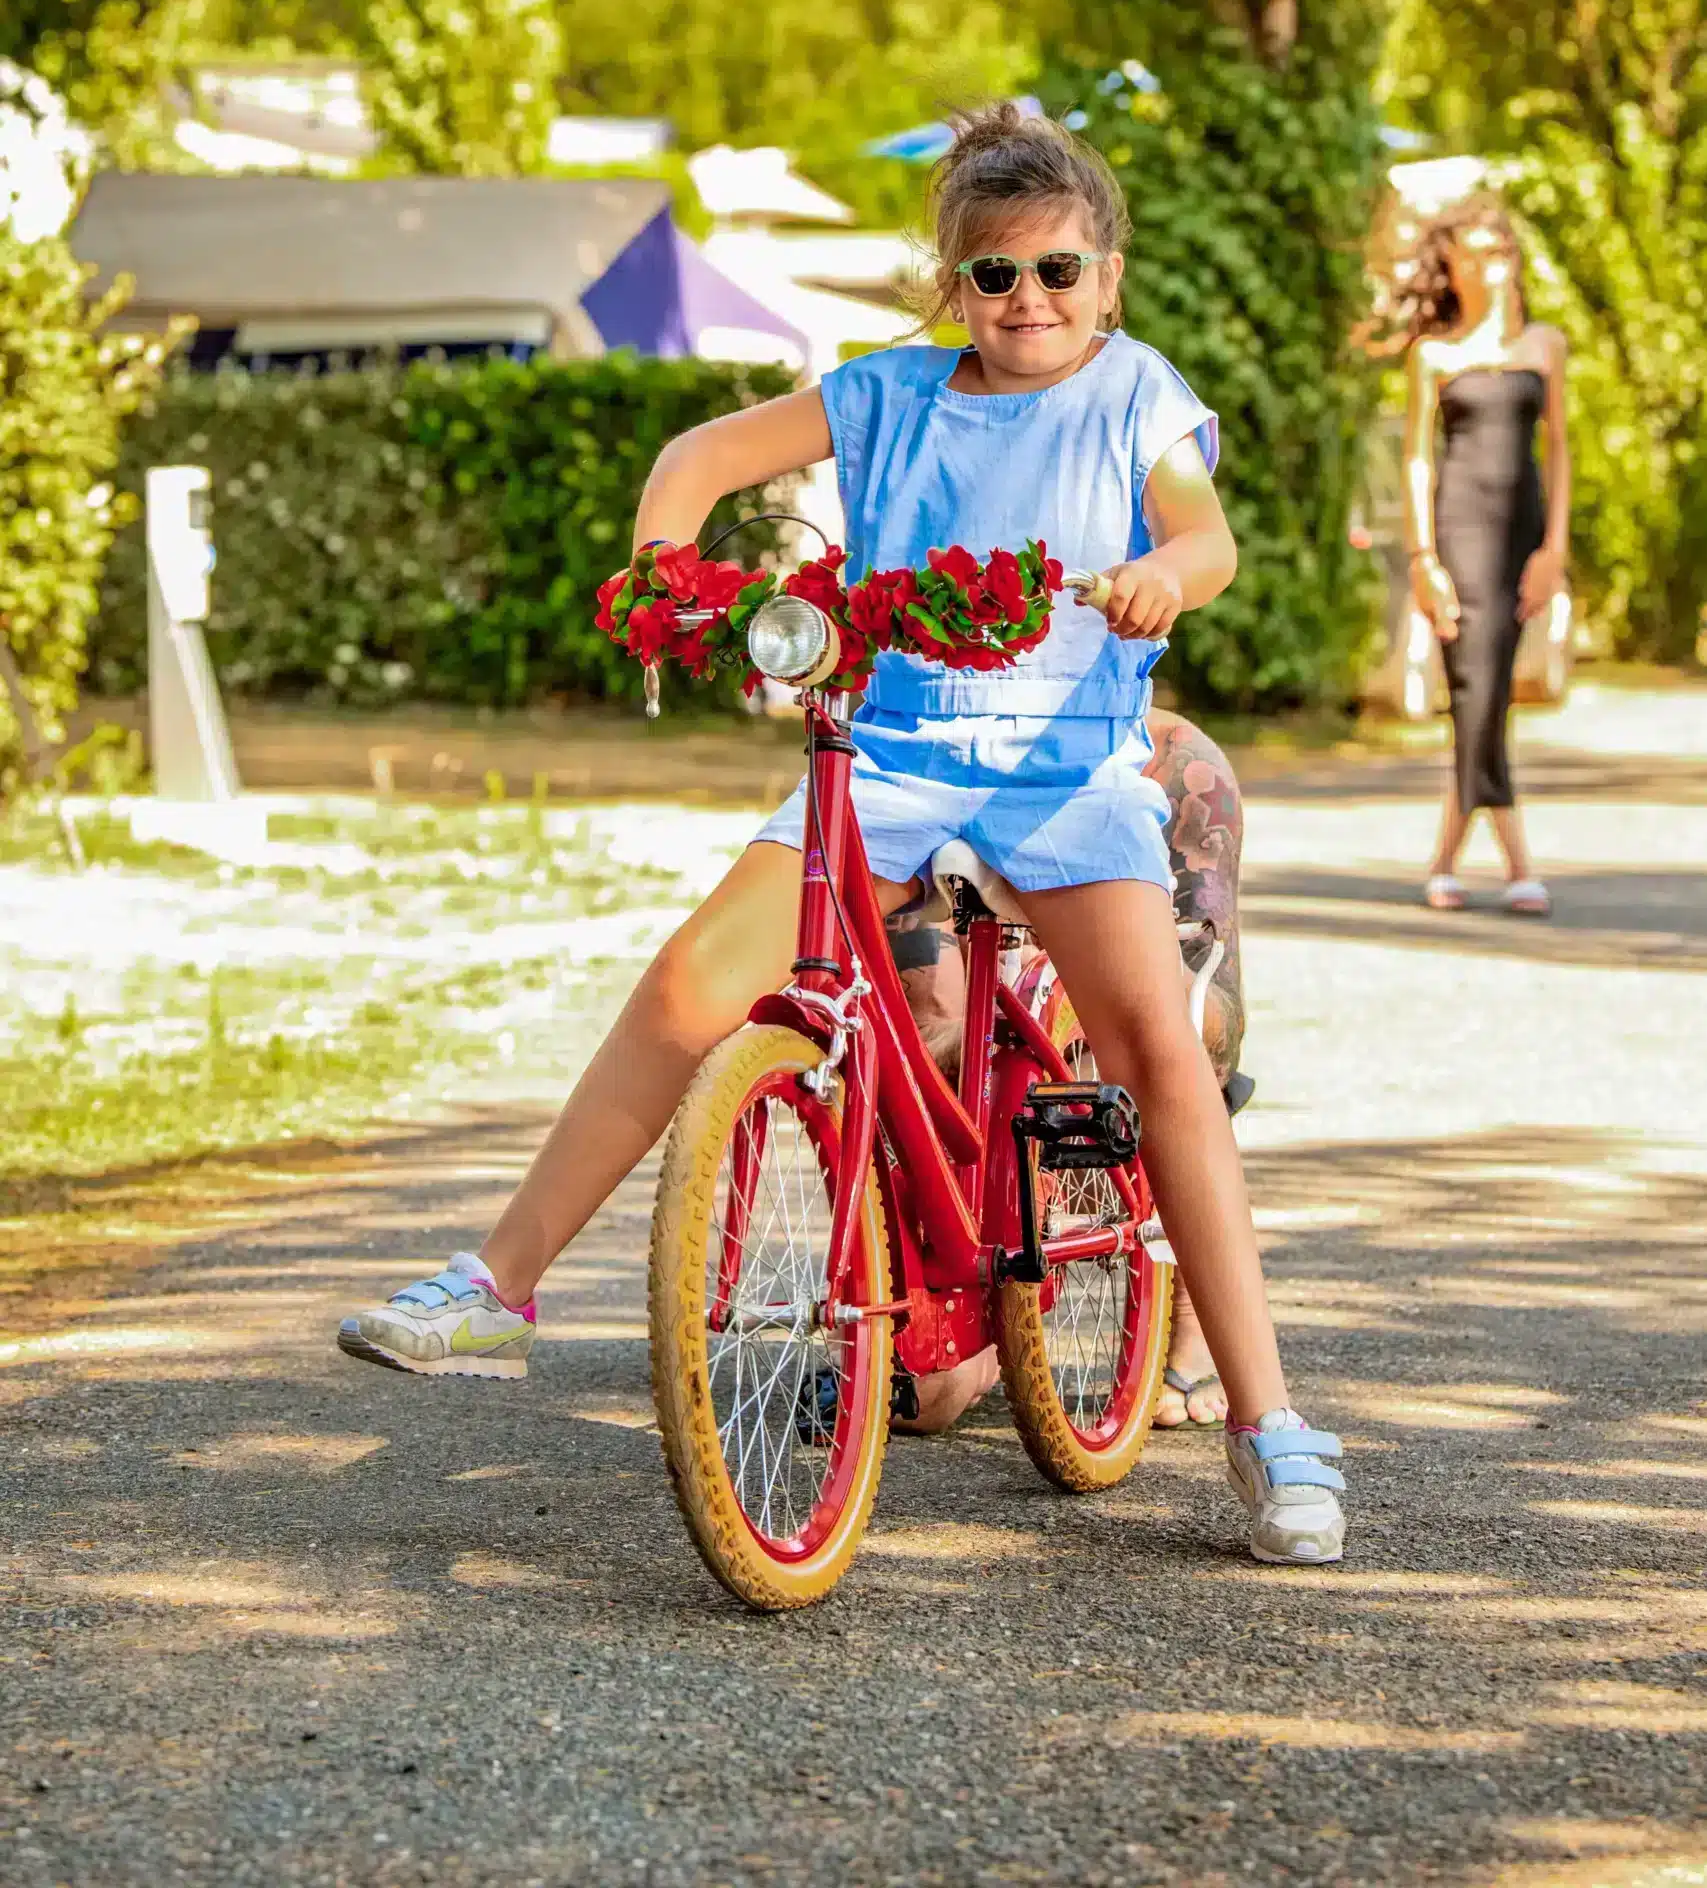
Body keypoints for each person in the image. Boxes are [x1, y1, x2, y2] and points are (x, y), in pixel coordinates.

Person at [337, 105, 1346, 1566]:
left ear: (1108, 277)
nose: (1028, 304)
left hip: (1063, 767)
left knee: (1153, 1056)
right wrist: (664, 583)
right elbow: (692, 459)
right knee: (696, 987)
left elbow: (1207, 534)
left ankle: (1266, 1419)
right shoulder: (884, 395)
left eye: (1058, 271)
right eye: (992, 278)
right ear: (952, 289)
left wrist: (1162, 578)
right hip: (886, 751)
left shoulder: (1135, 394)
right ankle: (495, 1280)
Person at [886, 706, 1246, 1432]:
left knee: (1181, 1030)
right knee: (929, 1404)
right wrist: (995, 1031)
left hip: (1111, 834)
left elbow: (1217, 1018)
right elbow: (913, 1039)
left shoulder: (1176, 765)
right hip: (946, 842)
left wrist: (1120, 996)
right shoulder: (896, 760)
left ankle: (1194, 1321)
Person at [1397, 193, 1570, 915]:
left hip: (1522, 535)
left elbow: (1559, 448)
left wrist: (1554, 550)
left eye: (1497, 251)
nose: (1488, 265)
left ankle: (1443, 861)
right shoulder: (1432, 354)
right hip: (1458, 533)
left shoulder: (1544, 346)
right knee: (1475, 688)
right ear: (1452, 267)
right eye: (1471, 253)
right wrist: (1421, 559)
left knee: (1488, 694)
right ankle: (1516, 863)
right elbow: (1415, 461)